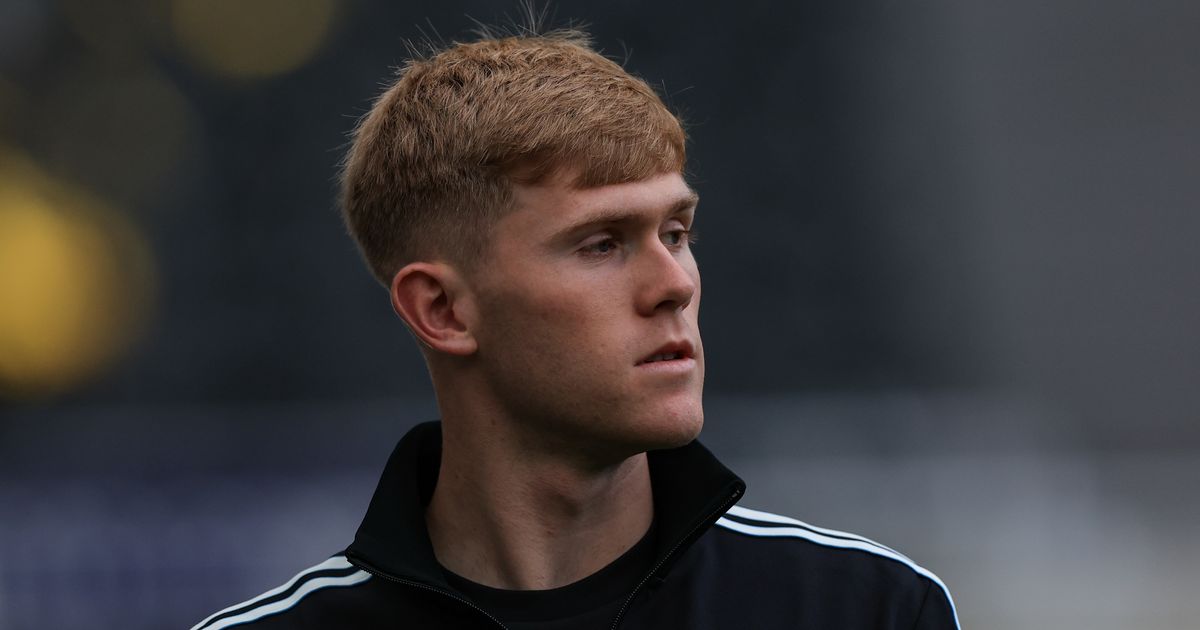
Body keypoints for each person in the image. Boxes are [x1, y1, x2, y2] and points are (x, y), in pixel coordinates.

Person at [192, 26, 960, 630]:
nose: (674, 284)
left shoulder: (864, 609)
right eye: (601, 244)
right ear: (442, 310)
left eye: (677, 233)